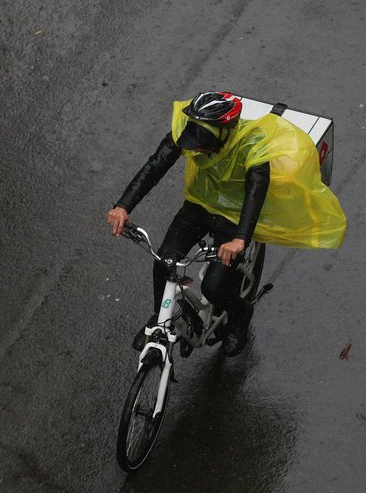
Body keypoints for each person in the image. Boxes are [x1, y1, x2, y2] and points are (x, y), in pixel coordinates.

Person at [107, 91, 347, 355]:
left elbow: (256, 192)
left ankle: (241, 314)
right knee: (164, 261)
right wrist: (123, 206)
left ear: (223, 134)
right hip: (199, 204)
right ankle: (159, 318)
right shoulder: (186, 130)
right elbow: (155, 166)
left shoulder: (253, 145)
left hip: (235, 217)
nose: (194, 148)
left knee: (215, 287)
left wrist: (240, 239)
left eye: (201, 144)